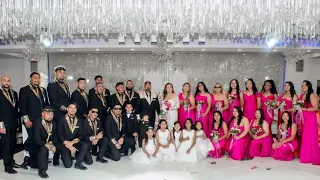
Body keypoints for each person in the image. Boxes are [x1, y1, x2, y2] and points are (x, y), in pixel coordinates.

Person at [19, 72, 49, 169]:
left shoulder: (43, 90)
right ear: (30, 79)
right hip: (30, 121)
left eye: (38, 78)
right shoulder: (24, 90)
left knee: (38, 140)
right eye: (34, 78)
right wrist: (26, 120)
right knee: (32, 139)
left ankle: (34, 160)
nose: (37, 80)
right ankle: (29, 160)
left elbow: (46, 105)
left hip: (41, 121)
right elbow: (22, 107)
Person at [47, 66, 71, 166]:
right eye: (60, 72)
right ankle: (56, 158)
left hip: (66, 115)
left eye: (63, 73)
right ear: (55, 73)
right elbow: (53, 100)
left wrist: (69, 110)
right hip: (57, 115)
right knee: (57, 136)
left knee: (65, 135)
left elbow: (68, 100)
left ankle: (65, 154)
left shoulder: (66, 85)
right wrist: (65, 109)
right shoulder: (51, 85)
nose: (62, 74)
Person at [56, 103, 92, 170]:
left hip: (74, 141)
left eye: (74, 108)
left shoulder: (79, 120)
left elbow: (81, 134)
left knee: (88, 158)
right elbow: (59, 134)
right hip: (64, 142)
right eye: (71, 108)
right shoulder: (61, 119)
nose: (73, 109)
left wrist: (72, 142)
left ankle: (78, 163)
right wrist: (68, 145)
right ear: (67, 109)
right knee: (68, 165)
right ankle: (68, 153)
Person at [0, 75, 19, 174]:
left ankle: (11, 161)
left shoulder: (14, 93)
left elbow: (16, 110)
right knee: (6, 145)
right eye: (4, 81)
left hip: (13, 123)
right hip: (4, 124)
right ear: (1, 81)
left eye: (8, 81)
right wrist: (1, 126)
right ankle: (7, 166)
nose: (6, 83)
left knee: (12, 144)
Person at [31, 106, 57, 178]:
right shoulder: (38, 122)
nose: (50, 116)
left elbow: (56, 136)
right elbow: (37, 139)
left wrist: (52, 143)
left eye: (52, 114)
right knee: (43, 148)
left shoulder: (53, 123)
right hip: (35, 144)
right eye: (48, 114)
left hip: (46, 142)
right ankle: (42, 170)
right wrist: (48, 145)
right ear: (42, 114)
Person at [299, 80, 320, 165]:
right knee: (304, 136)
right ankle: (305, 156)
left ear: (309, 86)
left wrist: (305, 109)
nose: (303, 87)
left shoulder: (312, 95)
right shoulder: (302, 95)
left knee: (310, 136)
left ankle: (311, 157)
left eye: (305, 85)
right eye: (302, 85)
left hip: (310, 118)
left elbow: (316, 108)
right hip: (303, 118)